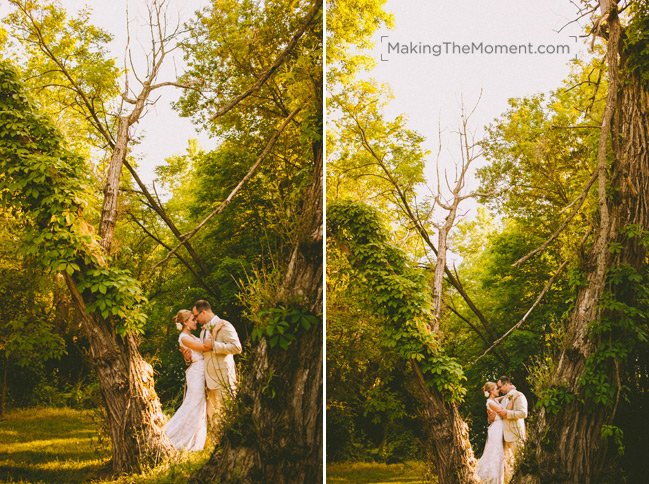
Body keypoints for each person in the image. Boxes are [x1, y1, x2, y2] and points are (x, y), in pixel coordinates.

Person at [190, 300, 242, 434]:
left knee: (227, 416)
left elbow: (237, 347)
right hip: (209, 380)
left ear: (204, 312)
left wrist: (215, 346)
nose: (195, 319)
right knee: (213, 418)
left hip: (223, 378)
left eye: (196, 316)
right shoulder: (203, 332)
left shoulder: (225, 325)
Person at [165, 309, 213, 451]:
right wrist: (213, 330)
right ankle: (172, 436)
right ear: (185, 322)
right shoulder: (184, 338)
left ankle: (196, 440)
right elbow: (205, 347)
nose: (196, 321)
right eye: (193, 319)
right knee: (192, 405)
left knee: (199, 405)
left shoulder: (191, 336)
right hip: (196, 372)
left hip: (200, 370)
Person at [494, 376, 528, 482]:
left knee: (520, 464)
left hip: (515, 435)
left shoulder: (519, 395)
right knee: (508, 467)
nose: (499, 390)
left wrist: (507, 413)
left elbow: (523, 413)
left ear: (507, 384)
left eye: (500, 387)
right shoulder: (505, 398)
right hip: (504, 436)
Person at [476, 381, 505, 484]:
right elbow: (503, 412)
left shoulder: (493, 400)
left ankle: (498, 479)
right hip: (496, 428)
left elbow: (497, 400)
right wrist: (512, 399)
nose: (498, 390)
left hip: (498, 427)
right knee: (495, 452)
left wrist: (508, 395)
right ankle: (491, 479)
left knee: (499, 453)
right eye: (496, 389)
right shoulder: (490, 403)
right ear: (491, 391)